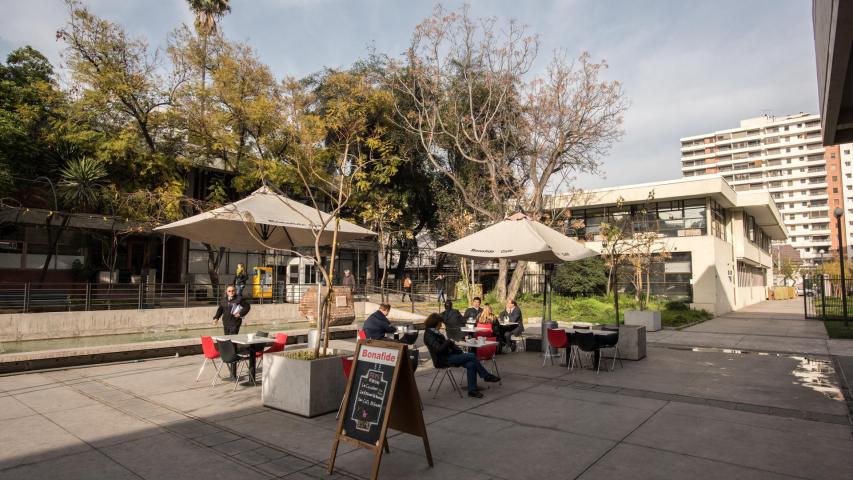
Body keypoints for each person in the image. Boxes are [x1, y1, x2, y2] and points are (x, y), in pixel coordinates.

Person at [423, 313, 500, 398]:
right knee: (471, 355)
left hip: (449, 356)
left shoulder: (435, 333)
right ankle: (485, 375)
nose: (441, 325)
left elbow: (446, 346)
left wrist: (453, 346)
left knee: (471, 365)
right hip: (442, 359)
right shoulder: (429, 335)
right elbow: (438, 350)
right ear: (435, 323)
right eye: (440, 323)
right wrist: (448, 342)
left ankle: (472, 390)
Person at [213, 285, 251, 378]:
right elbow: (220, 310)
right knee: (227, 342)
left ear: (235, 291)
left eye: (233, 291)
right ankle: (230, 365)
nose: (231, 292)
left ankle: (233, 371)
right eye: (229, 291)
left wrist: (240, 313)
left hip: (235, 323)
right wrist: (216, 318)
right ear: (226, 292)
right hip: (226, 324)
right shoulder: (224, 300)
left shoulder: (239, 299)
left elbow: (247, 307)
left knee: (232, 343)